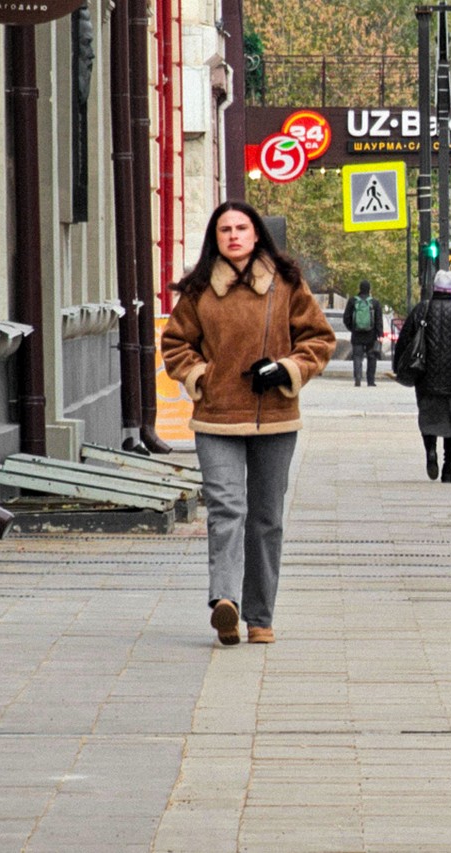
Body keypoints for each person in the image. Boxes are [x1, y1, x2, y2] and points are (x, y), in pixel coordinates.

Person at [161, 200, 335, 646]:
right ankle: (225, 602)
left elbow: (319, 338)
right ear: (215, 239)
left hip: (275, 418)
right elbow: (176, 345)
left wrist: (288, 369)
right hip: (217, 418)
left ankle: (260, 618)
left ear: (256, 234)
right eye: (225, 230)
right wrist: (201, 376)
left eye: (241, 228)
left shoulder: (287, 284)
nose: (234, 236)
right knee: (226, 509)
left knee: (266, 518)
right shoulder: (199, 291)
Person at [393, 269, 451, 483]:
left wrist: (400, 368)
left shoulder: (421, 310)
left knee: (429, 418)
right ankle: (448, 468)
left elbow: (404, 341)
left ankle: (430, 452)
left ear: (435, 288)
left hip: (425, 376)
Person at [342, 279, 384, 387]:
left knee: (357, 356)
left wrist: (352, 328)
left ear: (359, 289)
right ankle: (370, 380)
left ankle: (358, 378)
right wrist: (380, 334)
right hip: (371, 334)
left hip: (357, 335)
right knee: (372, 357)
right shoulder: (375, 302)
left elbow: (346, 318)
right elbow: (379, 320)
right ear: (369, 289)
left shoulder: (353, 301)